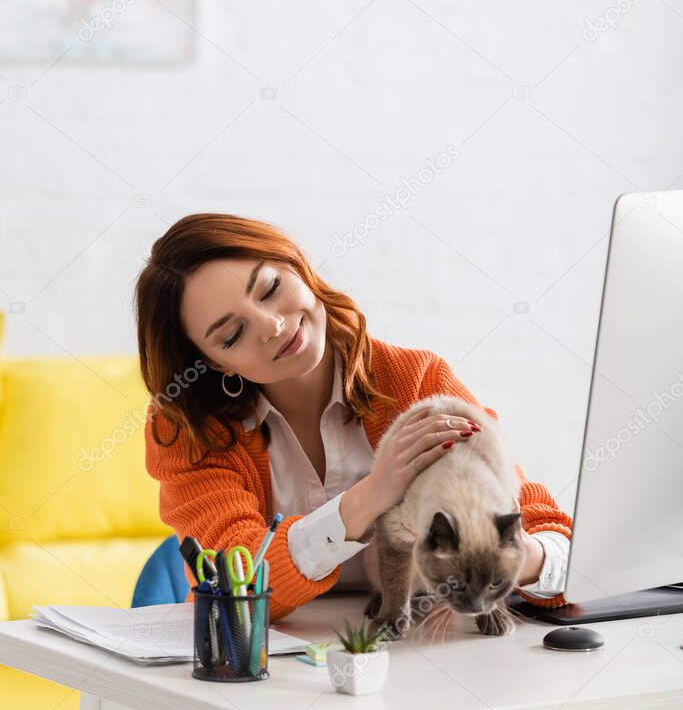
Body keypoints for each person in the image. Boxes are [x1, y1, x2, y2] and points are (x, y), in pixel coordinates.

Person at [136, 212, 572, 623]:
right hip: (260, 665)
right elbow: (234, 579)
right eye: (232, 335)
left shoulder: (417, 382)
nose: (272, 325)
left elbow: (548, 531)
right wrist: (368, 498)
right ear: (214, 364)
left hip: (416, 650)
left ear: (298, 267)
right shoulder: (184, 429)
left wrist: (518, 558)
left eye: (270, 288)